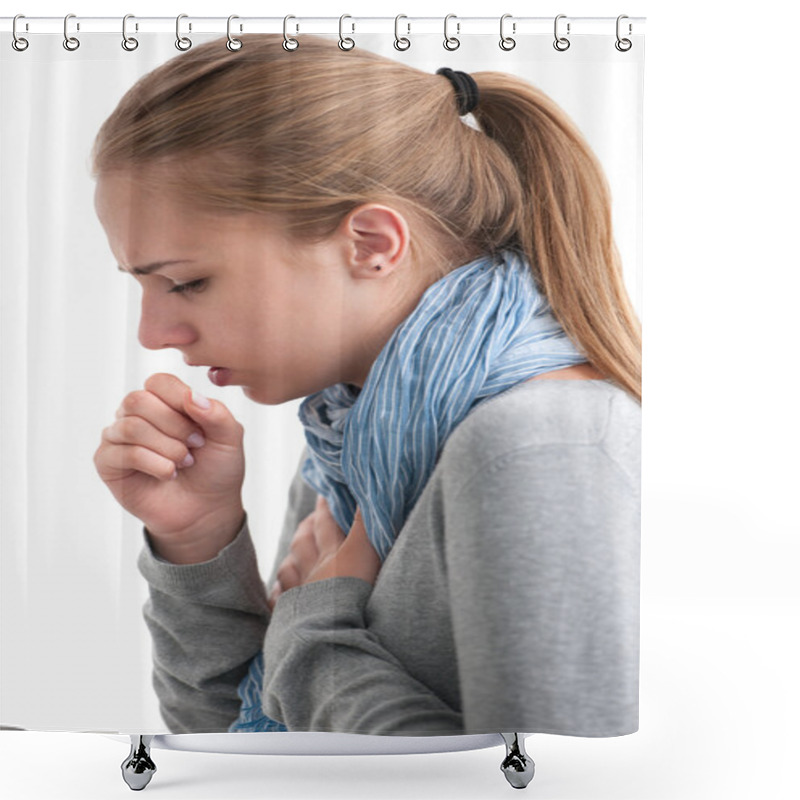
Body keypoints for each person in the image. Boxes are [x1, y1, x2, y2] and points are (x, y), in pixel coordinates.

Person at [92, 33, 641, 737]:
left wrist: (310, 626)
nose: (154, 333)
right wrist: (198, 540)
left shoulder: (540, 450)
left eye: (186, 282)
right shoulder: (348, 442)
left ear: (372, 244)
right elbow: (234, 749)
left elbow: (537, 786)